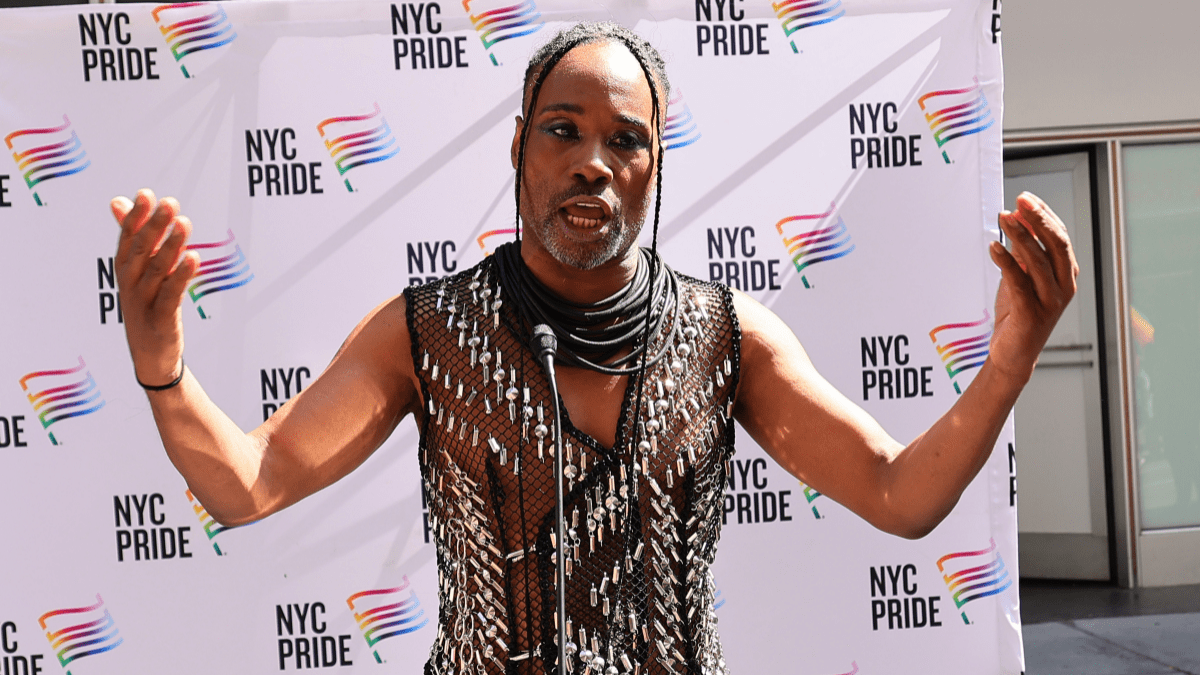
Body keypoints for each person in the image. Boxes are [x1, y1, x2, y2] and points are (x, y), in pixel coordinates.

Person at [109, 22, 1076, 675]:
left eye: (627, 139)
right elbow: (250, 480)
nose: (593, 163)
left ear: (656, 166)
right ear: (520, 150)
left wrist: (1004, 366)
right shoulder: (426, 331)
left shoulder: (726, 339)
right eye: (563, 131)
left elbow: (900, 493)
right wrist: (165, 368)